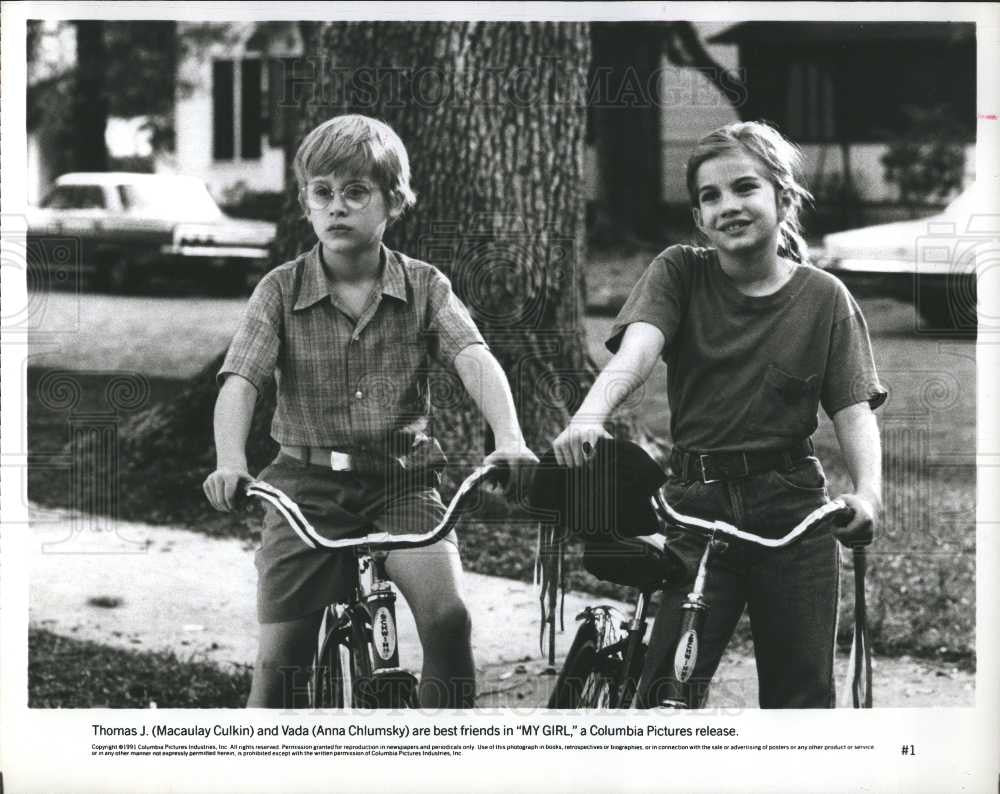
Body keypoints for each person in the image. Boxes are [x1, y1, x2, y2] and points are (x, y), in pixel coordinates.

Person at [203, 114, 537, 709]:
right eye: (322, 192)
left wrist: (508, 436)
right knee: (281, 663)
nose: (337, 207)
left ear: (394, 201)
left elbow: (473, 358)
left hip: (400, 482)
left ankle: (446, 754)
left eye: (356, 192)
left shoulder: (425, 286)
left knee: (448, 620)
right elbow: (240, 382)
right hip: (305, 485)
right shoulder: (279, 290)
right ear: (306, 202)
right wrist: (231, 460)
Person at [551, 120, 886, 708]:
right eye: (710, 196)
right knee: (667, 692)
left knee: (802, 699)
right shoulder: (680, 272)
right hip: (697, 508)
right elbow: (637, 353)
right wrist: (589, 414)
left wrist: (868, 495)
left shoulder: (825, 298)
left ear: (783, 197)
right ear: (700, 217)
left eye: (744, 187)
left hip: (793, 512)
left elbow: (853, 411)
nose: (728, 205)